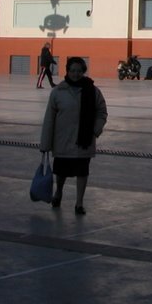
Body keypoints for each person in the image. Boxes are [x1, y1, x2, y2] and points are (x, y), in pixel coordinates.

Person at [39, 57, 108, 215]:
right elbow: (49, 119)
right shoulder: (58, 91)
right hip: (62, 139)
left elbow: (102, 112)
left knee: (82, 171)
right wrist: (45, 144)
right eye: (72, 71)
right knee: (61, 171)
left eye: (78, 71)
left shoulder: (92, 90)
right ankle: (59, 192)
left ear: (83, 72)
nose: (75, 74)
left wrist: (95, 130)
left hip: (84, 140)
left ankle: (79, 203)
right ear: (67, 71)